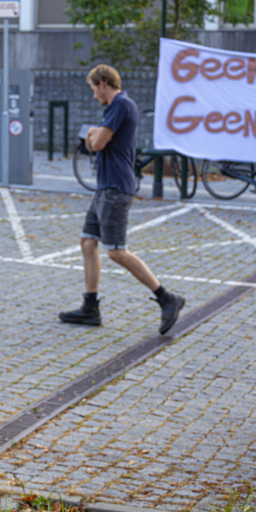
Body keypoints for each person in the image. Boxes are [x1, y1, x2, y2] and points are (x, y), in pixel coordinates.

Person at [59, 64, 187, 336]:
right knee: (87, 242)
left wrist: (93, 132)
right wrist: (96, 132)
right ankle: (90, 307)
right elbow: (96, 139)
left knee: (117, 250)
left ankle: (167, 298)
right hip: (105, 188)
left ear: (103, 83)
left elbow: (97, 143)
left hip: (116, 188)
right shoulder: (115, 108)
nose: (94, 95)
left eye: (94, 89)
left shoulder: (122, 105)